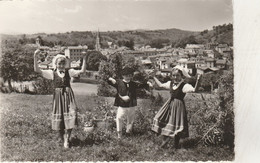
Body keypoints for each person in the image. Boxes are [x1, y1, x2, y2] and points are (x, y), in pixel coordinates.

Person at [34, 49, 86, 148]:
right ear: (56, 64)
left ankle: (67, 138)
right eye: (59, 64)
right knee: (60, 120)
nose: (61, 66)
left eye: (63, 64)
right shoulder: (51, 73)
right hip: (58, 98)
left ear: (65, 64)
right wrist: (35, 56)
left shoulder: (69, 72)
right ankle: (63, 139)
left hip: (68, 96)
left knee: (72, 115)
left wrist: (84, 58)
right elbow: (37, 70)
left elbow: (82, 71)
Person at [151, 65, 201, 149]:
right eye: (173, 75)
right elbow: (160, 85)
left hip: (179, 106)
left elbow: (195, 90)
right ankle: (164, 142)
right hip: (169, 105)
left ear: (182, 76)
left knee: (177, 125)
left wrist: (198, 80)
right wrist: (153, 77)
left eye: (177, 75)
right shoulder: (170, 83)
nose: (175, 77)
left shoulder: (184, 85)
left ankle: (175, 145)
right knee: (160, 118)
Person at [107, 67, 153, 139]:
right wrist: (110, 79)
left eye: (130, 75)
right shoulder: (118, 82)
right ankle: (119, 135)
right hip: (122, 105)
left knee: (131, 119)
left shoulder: (133, 83)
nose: (128, 77)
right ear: (123, 76)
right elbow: (110, 82)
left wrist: (147, 83)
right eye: (126, 75)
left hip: (131, 104)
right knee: (119, 118)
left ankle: (128, 132)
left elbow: (141, 85)